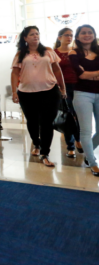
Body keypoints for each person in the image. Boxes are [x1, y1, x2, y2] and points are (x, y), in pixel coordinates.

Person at [11, 26, 67, 167]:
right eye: (31, 34)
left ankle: (45, 153)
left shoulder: (48, 51)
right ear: (25, 38)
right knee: (32, 120)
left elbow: (57, 70)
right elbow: (14, 73)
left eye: (37, 33)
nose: (35, 36)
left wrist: (62, 88)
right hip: (26, 93)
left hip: (49, 91)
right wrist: (13, 91)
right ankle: (36, 142)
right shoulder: (20, 54)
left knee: (47, 122)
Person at [69, 24, 99, 177]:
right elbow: (81, 75)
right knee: (86, 131)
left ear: (94, 35)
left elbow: (86, 73)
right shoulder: (74, 53)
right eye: (83, 33)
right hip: (82, 94)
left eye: (90, 32)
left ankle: (88, 154)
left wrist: (89, 73)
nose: (87, 35)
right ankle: (93, 164)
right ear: (78, 37)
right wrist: (91, 74)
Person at [54, 27, 81, 158]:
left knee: (78, 115)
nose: (69, 37)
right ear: (59, 37)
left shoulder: (76, 52)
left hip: (77, 86)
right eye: (66, 35)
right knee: (68, 116)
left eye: (71, 35)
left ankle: (78, 140)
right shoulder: (54, 53)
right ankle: (71, 146)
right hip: (61, 87)